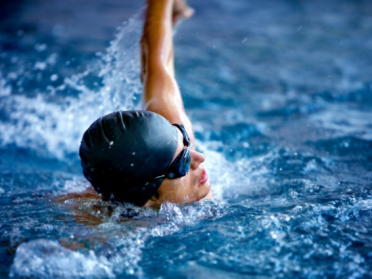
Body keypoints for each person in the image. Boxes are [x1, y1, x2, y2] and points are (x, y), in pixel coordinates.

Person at [79, 0, 213, 207]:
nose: (200, 158)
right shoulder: (106, 230)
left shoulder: (172, 136)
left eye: (184, 140)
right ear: (148, 198)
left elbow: (156, 62)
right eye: (183, 163)